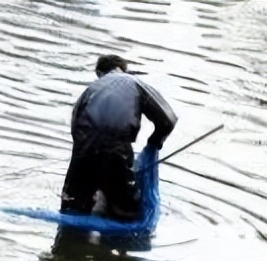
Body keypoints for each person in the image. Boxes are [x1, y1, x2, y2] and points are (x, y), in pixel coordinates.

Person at [60, 54, 178, 221]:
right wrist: (153, 144)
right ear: (123, 69)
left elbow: (75, 123)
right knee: (124, 214)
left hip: (83, 150)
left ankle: (71, 242)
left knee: (73, 209)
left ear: (100, 73)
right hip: (116, 150)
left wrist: (87, 154)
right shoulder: (135, 83)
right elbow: (168, 120)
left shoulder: (90, 89)